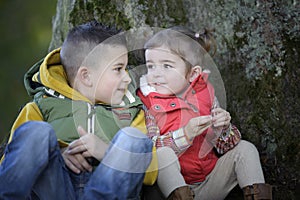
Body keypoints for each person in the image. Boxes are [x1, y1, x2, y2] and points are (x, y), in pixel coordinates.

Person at [0, 21, 157, 200]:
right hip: (56, 189)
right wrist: (58, 153)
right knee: (36, 132)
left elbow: (151, 171)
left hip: (109, 190)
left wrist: (105, 151)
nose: (127, 78)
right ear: (86, 76)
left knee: (133, 138)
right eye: (118, 69)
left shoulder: (131, 110)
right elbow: (10, 162)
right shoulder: (41, 106)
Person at [138, 26, 272, 200]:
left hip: (210, 181)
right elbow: (150, 150)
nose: (156, 74)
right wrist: (184, 135)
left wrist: (223, 127)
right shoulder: (148, 103)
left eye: (166, 66)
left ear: (193, 74)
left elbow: (225, 146)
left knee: (246, 149)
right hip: (169, 190)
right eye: (150, 66)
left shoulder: (206, 94)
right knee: (162, 155)